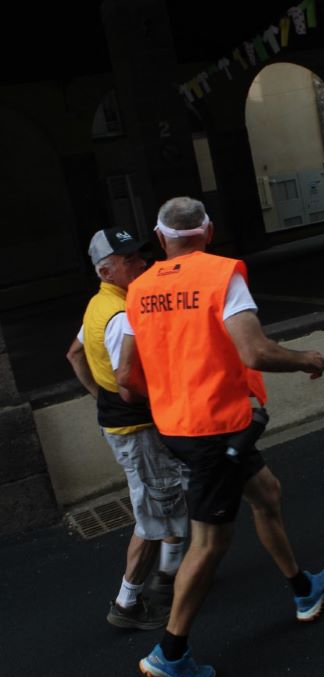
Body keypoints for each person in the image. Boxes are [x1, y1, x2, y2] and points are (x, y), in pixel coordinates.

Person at [118, 197, 324, 677]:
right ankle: (171, 652)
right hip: (215, 430)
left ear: (160, 238)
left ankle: (304, 588)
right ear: (209, 231)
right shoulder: (222, 275)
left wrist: (168, 396)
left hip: (178, 427)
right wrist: (307, 359)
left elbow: (126, 377)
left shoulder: (139, 289)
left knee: (267, 493)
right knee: (209, 543)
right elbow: (255, 352)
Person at [66, 227, 189, 630]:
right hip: (137, 430)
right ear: (106, 272)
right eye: (130, 259)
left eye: (139, 255)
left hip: (124, 426)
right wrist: (163, 399)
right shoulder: (120, 317)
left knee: (167, 500)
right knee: (153, 517)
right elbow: (128, 384)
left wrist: (102, 398)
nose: (142, 263)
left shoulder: (99, 305)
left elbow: (75, 354)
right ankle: (128, 602)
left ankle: (169, 577)